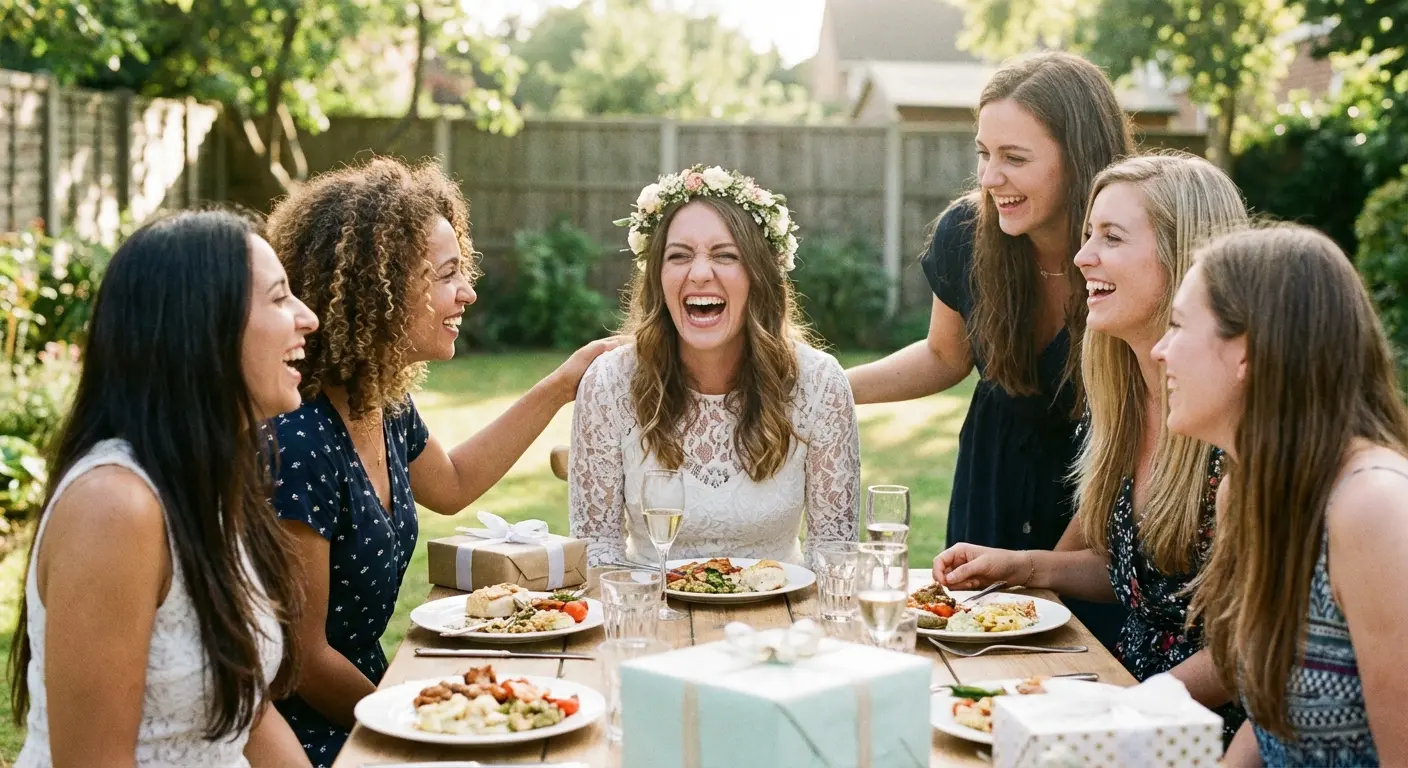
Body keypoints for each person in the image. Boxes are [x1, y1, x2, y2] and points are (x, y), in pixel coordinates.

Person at [261, 156, 616, 767]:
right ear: (381, 287)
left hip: (376, 702)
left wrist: (559, 386)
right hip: (314, 731)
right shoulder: (300, 439)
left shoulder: (381, 402)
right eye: (447, 274)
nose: (467, 292)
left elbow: (451, 485)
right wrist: (420, 727)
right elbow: (304, 659)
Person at [932, 153, 1248, 743]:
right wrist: (1021, 564)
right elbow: (1138, 572)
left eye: (1111, 237)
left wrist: (1110, 716)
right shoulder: (1119, 401)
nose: (1081, 257)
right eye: (1086, 235)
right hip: (1122, 705)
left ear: (1185, 257)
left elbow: (1250, 650)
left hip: (1201, 735)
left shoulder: (1235, 432)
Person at [844, 51, 1135, 644]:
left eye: (1014, 158)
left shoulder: (1129, 250)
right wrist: (827, 389)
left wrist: (1047, 570)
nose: (988, 178)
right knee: (975, 658)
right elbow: (944, 356)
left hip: (1094, 488)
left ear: (1079, 160)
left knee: (1074, 669)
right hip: (992, 473)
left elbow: (1135, 431)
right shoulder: (966, 234)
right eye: (983, 153)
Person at [9, 210, 317, 766]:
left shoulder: (212, 477)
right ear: (201, 328)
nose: (308, 318)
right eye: (278, 298)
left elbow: (246, 714)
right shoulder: (114, 507)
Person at [1155, 225, 1408, 767]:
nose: (1160, 350)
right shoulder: (1243, 492)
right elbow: (1273, 722)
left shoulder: (1374, 508)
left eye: (1177, 326)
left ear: (1245, 353)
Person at [568, 164, 860, 567]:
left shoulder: (821, 384)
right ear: (657, 276)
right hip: (654, 616)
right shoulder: (609, 383)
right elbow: (596, 552)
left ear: (760, 276)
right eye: (679, 256)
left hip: (780, 619)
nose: (700, 273)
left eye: (725, 256)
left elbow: (834, 555)